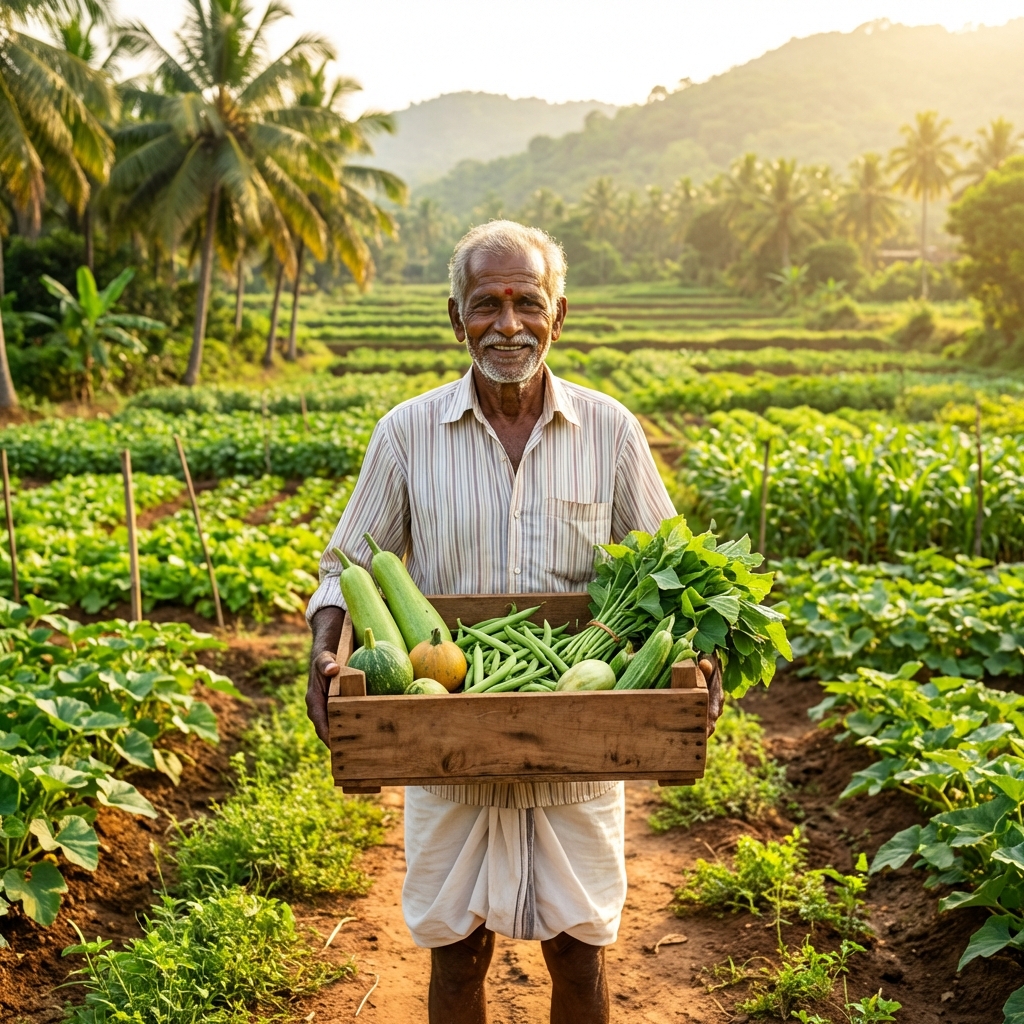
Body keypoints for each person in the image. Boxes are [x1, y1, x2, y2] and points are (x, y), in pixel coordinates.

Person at [305, 220, 725, 1023]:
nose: (508, 325)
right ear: (454, 317)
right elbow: (343, 568)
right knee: (458, 958)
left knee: (579, 955)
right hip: (447, 740)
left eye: (527, 302)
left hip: (581, 742)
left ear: (558, 315)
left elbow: (676, 572)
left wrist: (705, 661)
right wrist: (324, 652)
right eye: (486, 304)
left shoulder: (610, 430)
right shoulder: (406, 433)